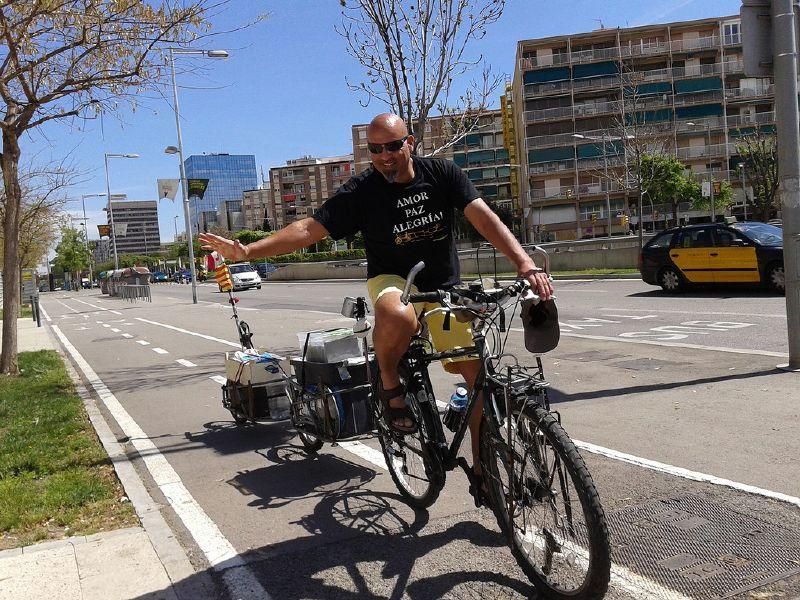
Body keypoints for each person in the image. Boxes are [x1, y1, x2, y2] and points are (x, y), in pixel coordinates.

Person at [199, 113, 553, 503]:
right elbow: (308, 230)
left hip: (442, 288)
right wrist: (247, 250)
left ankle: (484, 474)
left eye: (392, 146)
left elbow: (482, 217)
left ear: (410, 143)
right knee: (398, 311)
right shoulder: (362, 191)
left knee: (478, 382)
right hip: (392, 280)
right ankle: (389, 381)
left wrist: (523, 262)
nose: (384, 155)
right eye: (375, 149)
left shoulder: (442, 174)